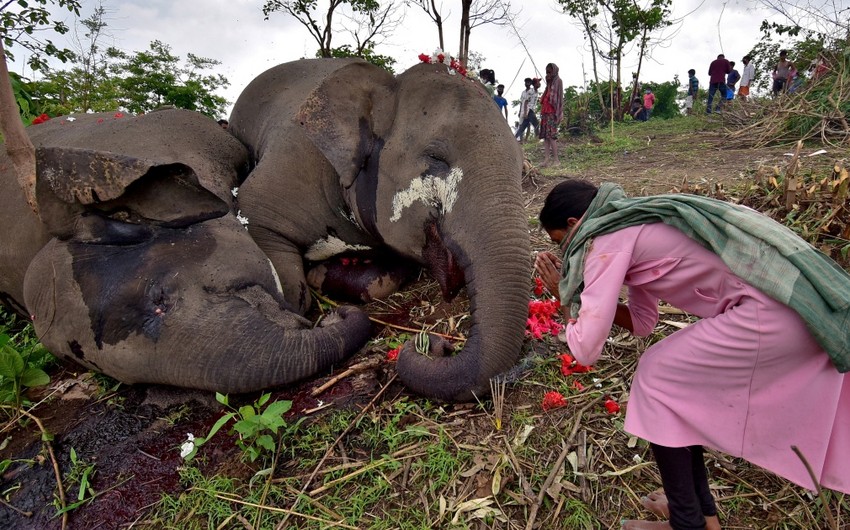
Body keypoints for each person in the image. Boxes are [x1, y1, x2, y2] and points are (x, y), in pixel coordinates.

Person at [534, 179, 850, 530]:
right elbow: (643, 322)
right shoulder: (636, 221)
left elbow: (585, 349)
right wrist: (586, 293)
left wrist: (564, 295)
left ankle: (687, 523)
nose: (565, 254)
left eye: (560, 243)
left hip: (768, 315)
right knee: (672, 392)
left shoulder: (605, 242)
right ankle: (702, 517)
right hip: (782, 308)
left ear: (576, 224)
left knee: (656, 377)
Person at [539, 63, 563, 167]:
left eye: (550, 72)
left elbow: (556, 99)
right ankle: (546, 159)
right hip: (545, 113)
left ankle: (556, 160)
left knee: (552, 137)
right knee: (545, 137)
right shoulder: (549, 84)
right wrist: (548, 84)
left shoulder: (558, 81)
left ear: (554, 71)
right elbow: (543, 98)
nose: (548, 74)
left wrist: (559, 113)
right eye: (547, 72)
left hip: (552, 113)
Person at [515, 77, 540, 142]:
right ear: (534, 84)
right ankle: (537, 139)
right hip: (529, 110)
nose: (539, 84)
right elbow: (526, 102)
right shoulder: (530, 91)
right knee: (536, 124)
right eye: (538, 83)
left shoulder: (536, 91)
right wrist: (525, 113)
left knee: (523, 126)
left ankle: (514, 138)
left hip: (531, 110)